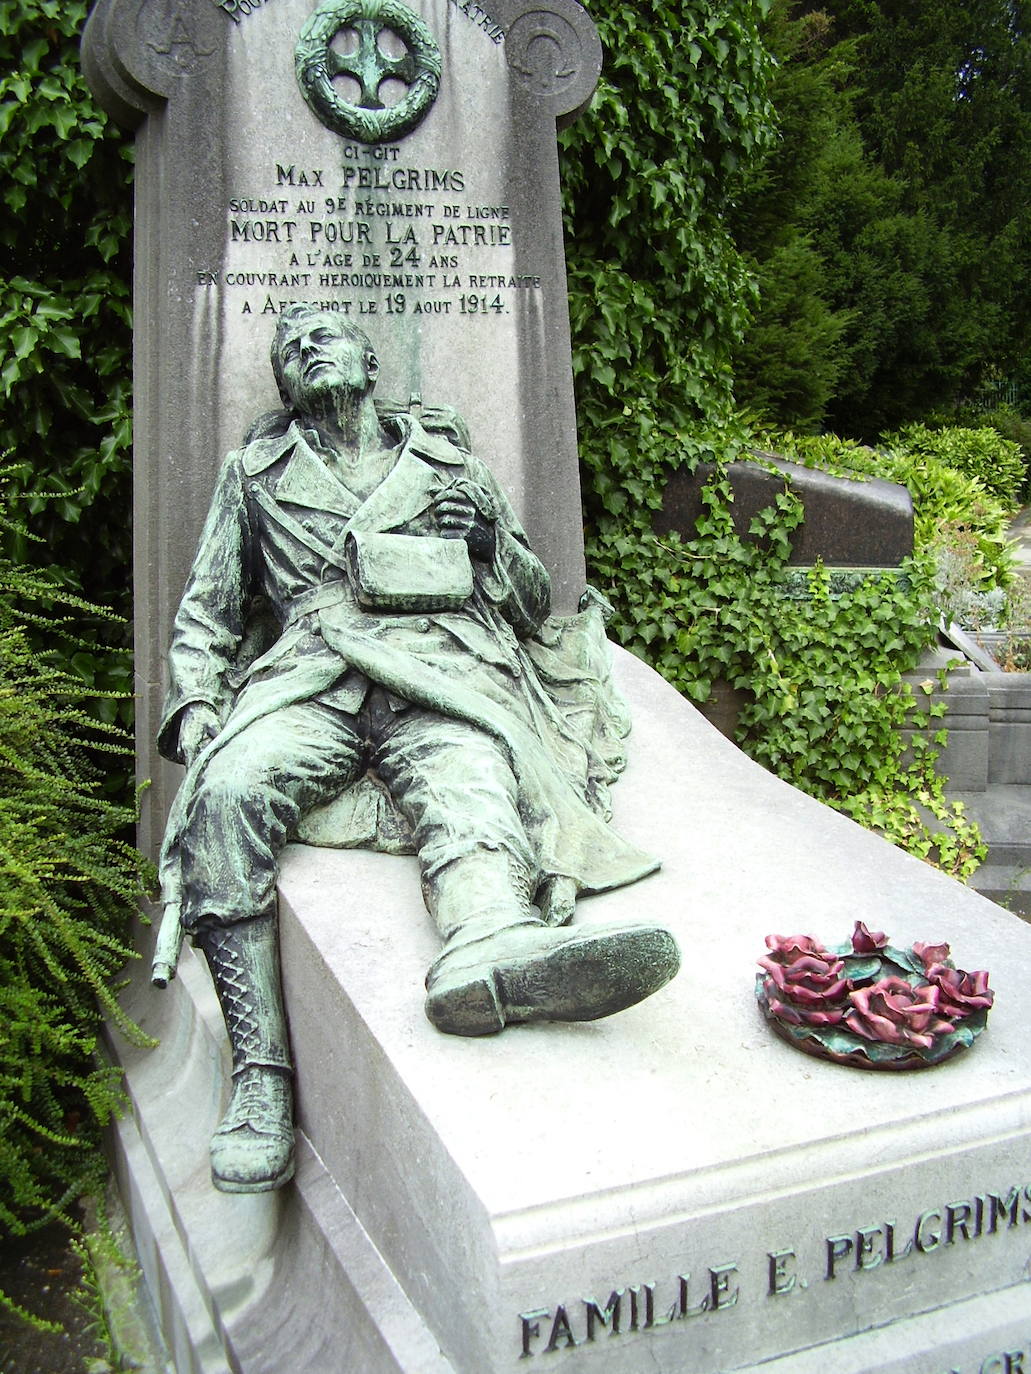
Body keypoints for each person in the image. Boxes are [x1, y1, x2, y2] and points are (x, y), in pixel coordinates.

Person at [157, 304, 679, 1194]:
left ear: (370, 360)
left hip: (442, 662)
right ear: (283, 386)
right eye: (291, 348)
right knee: (231, 791)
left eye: (328, 334)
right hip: (311, 674)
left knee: (472, 776)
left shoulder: (449, 463)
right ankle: (260, 1078)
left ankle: (488, 950)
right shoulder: (256, 471)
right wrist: (198, 703)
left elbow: (526, 598)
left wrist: (483, 542)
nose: (309, 348)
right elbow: (208, 613)